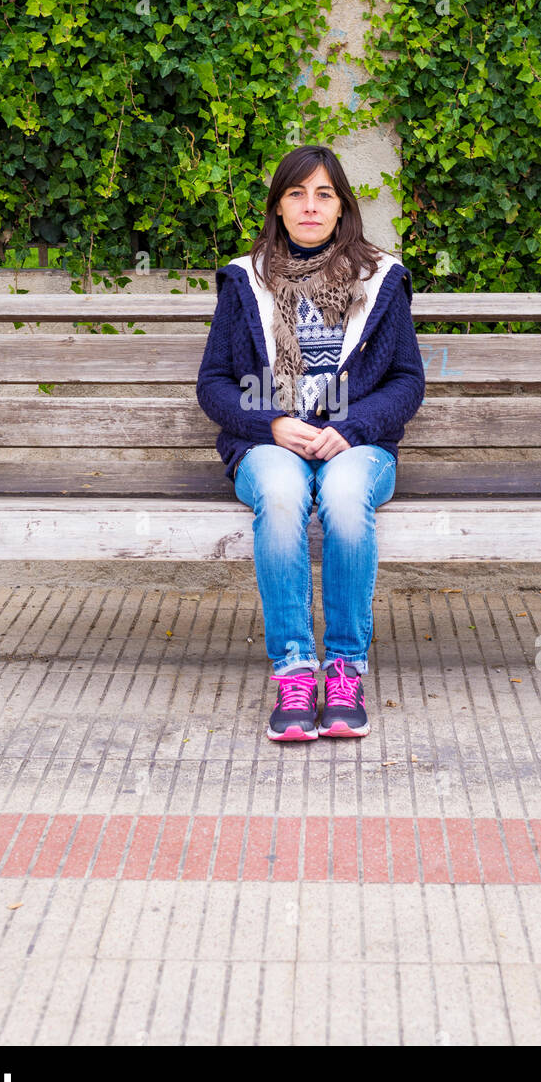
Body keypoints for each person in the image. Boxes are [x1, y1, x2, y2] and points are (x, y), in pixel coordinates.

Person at [196, 145, 426, 742]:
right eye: (296, 194)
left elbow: (406, 381)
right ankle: (295, 672)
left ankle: (345, 668)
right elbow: (215, 383)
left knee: (347, 499)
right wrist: (271, 423)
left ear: (342, 206)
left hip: (358, 447)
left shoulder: (381, 280)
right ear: (277, 207)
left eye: (324, 194)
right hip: (269, 441)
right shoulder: (247, 281)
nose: (310, 206)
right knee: (279, 493)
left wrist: (349, 430)